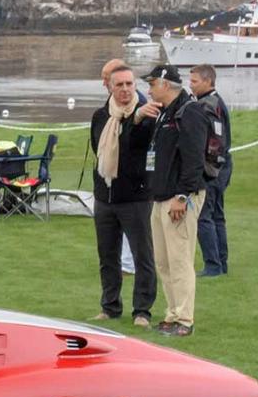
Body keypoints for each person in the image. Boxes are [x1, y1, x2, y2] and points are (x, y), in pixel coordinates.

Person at [141, 63, 208, 337]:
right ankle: (171, 312)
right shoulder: (164, 113)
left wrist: (183, 195)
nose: (149, 89)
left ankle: (185, 318)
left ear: (165, 85)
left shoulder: (189, 112)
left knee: (180, 258)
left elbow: (194, 158)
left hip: (180, 197)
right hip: (160, 195)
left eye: (152, 84)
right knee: (163, 260)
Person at [89, 63, 157, 328]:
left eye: (130, 84)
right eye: (120, 85)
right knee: (107, 256)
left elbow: (135, 147)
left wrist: (135, 120)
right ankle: (110, 306)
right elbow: (98, 150)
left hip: (136, 197)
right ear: (110, 87)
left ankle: (142, 310)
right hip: (105, 196)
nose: (126, 89)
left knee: (143, 256)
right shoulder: (100, 116)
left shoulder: (146, 115)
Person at [188, 65, 232, 276]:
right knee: (216, 216)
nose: (191, 84)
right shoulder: (213, 102)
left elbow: (215, 141)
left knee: (204, 215)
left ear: (208, 81)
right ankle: (221, 263)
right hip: (222, 166)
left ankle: (213, 264)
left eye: (195, 81)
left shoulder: (208, 104)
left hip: (213, 168)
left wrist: (208, 169)